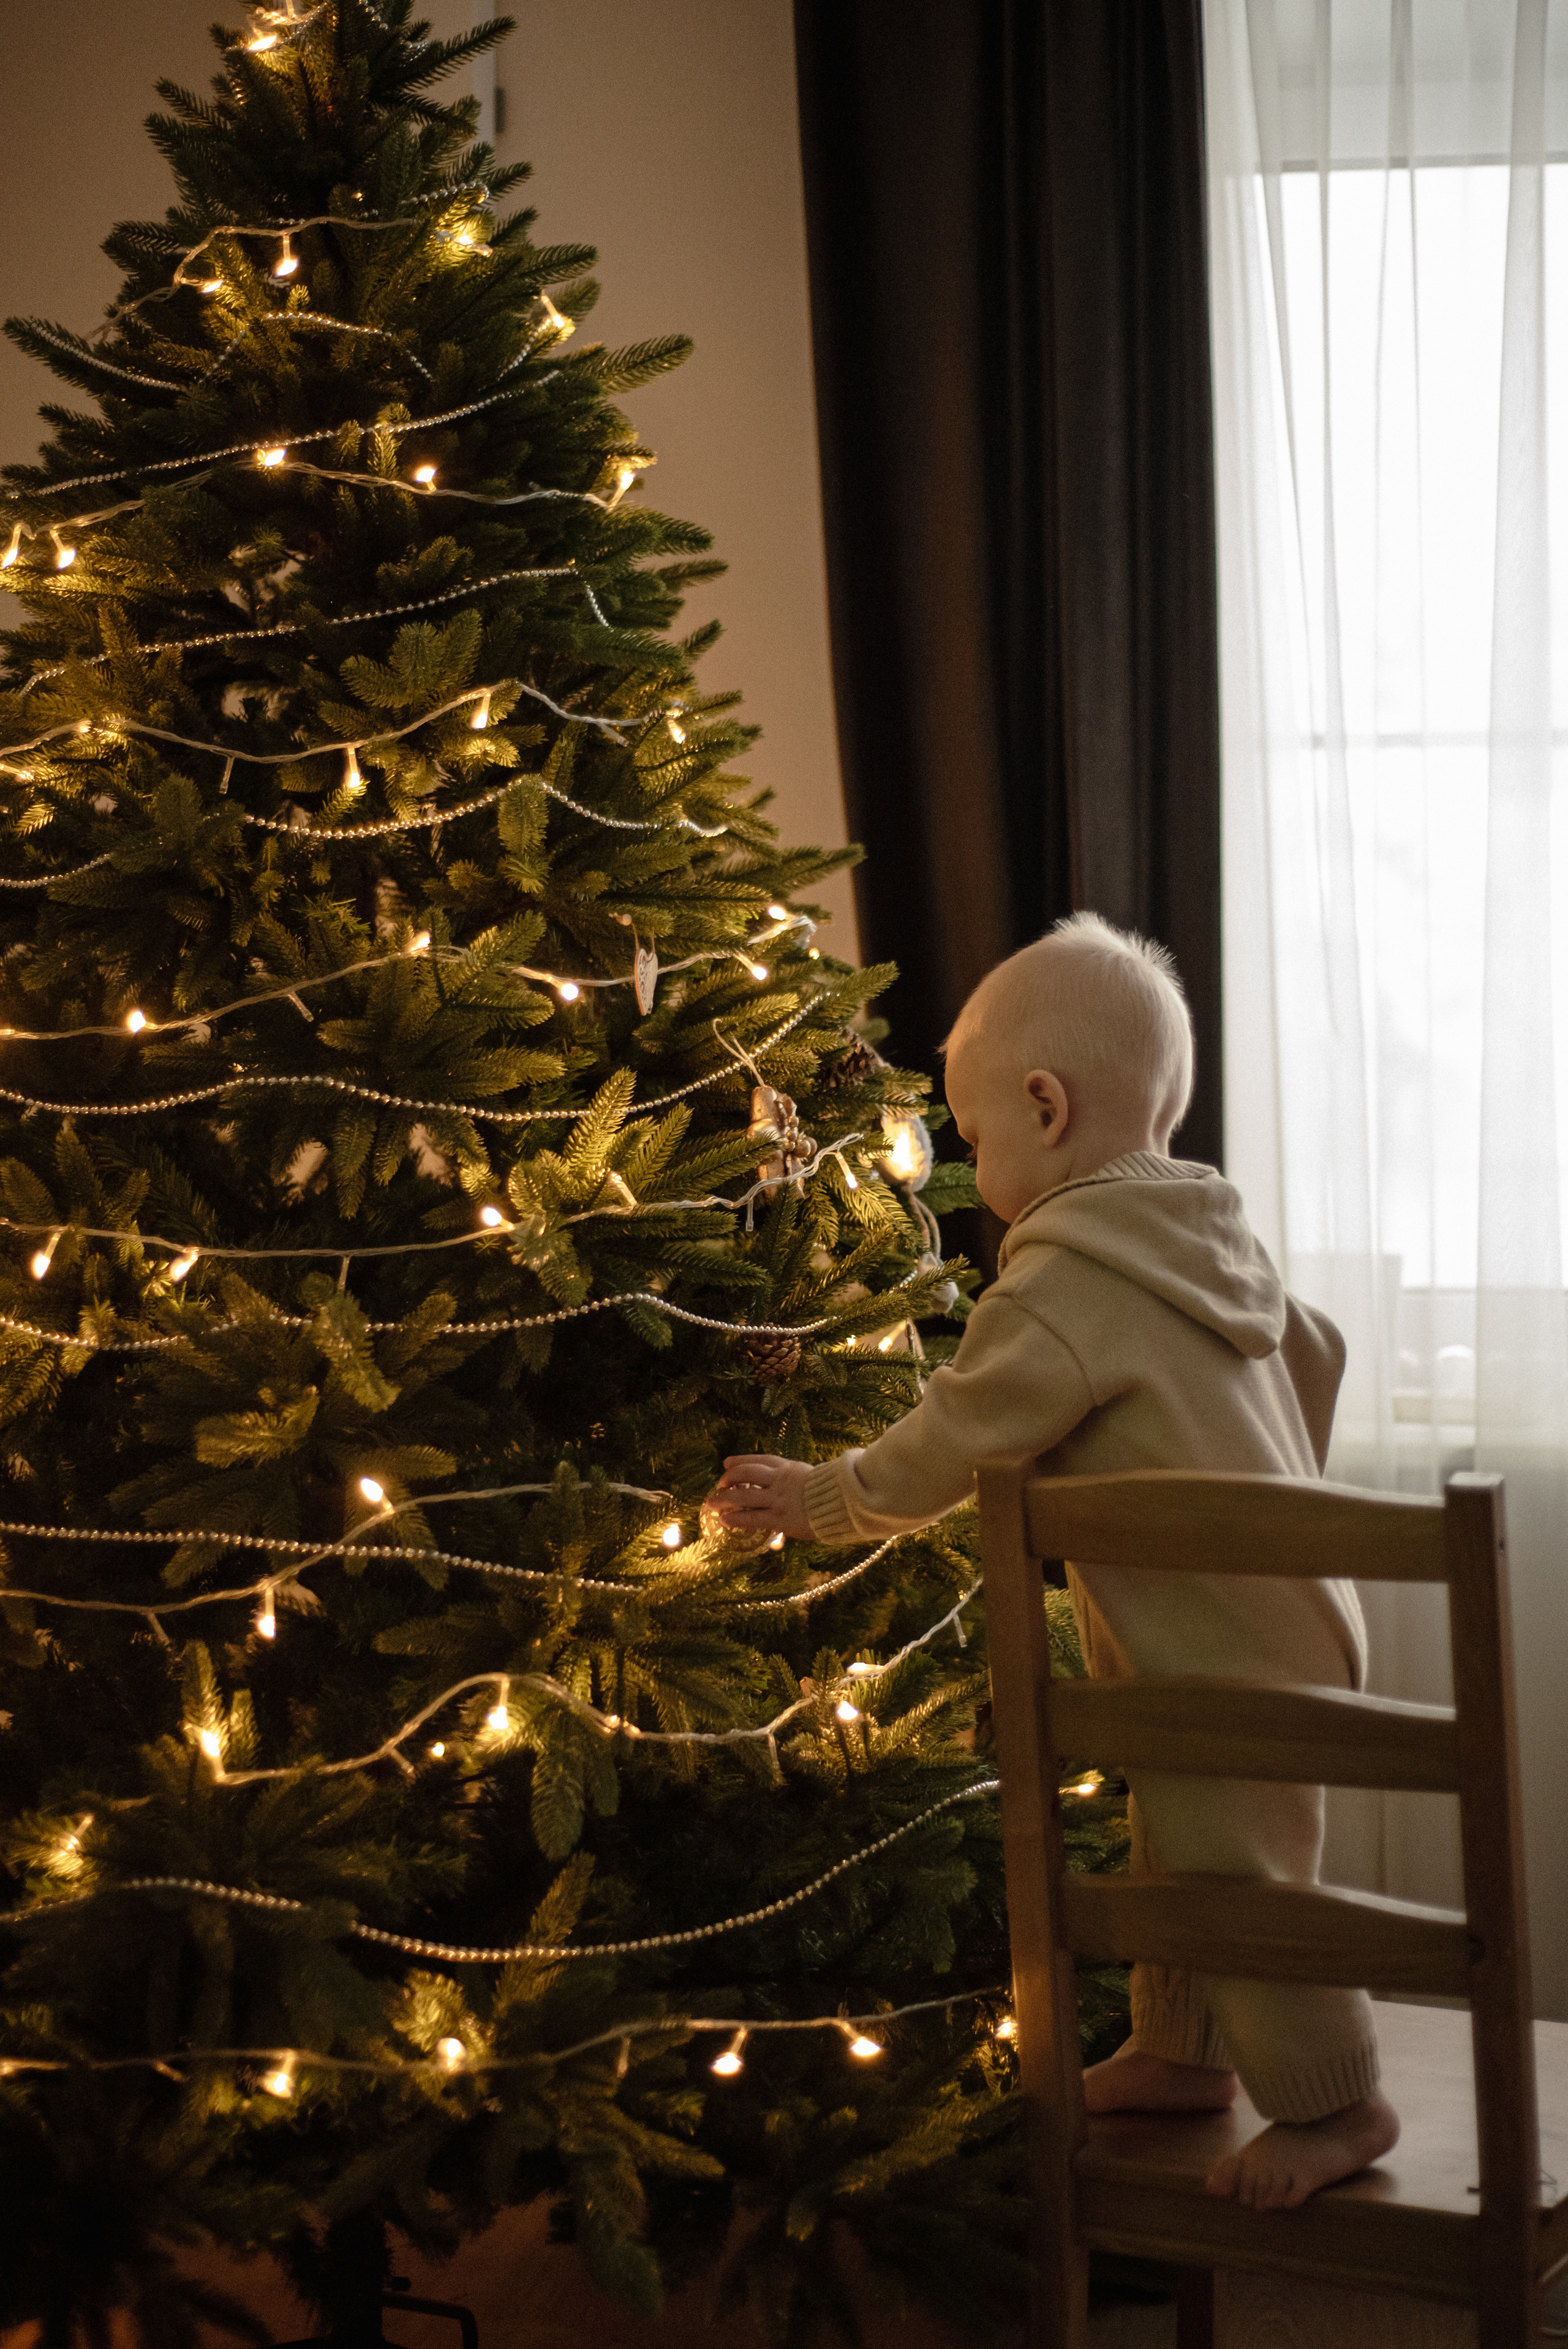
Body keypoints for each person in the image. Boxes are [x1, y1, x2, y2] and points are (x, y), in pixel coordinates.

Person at [707, 911, 1399, 2211]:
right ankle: (1177, 2055)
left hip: (1221, 1647)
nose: (970, 1166)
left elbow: (964, 1429)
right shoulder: (1207, 1235)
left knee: (1232, 1876)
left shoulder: (1065, 1277)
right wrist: (1269, 1498)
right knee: (1178, 1838)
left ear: (1042, 1106)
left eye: (970, 1137)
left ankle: (1336, 2104)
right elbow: (1313, 1347)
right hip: (1277, 1614)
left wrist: (826, 1499)